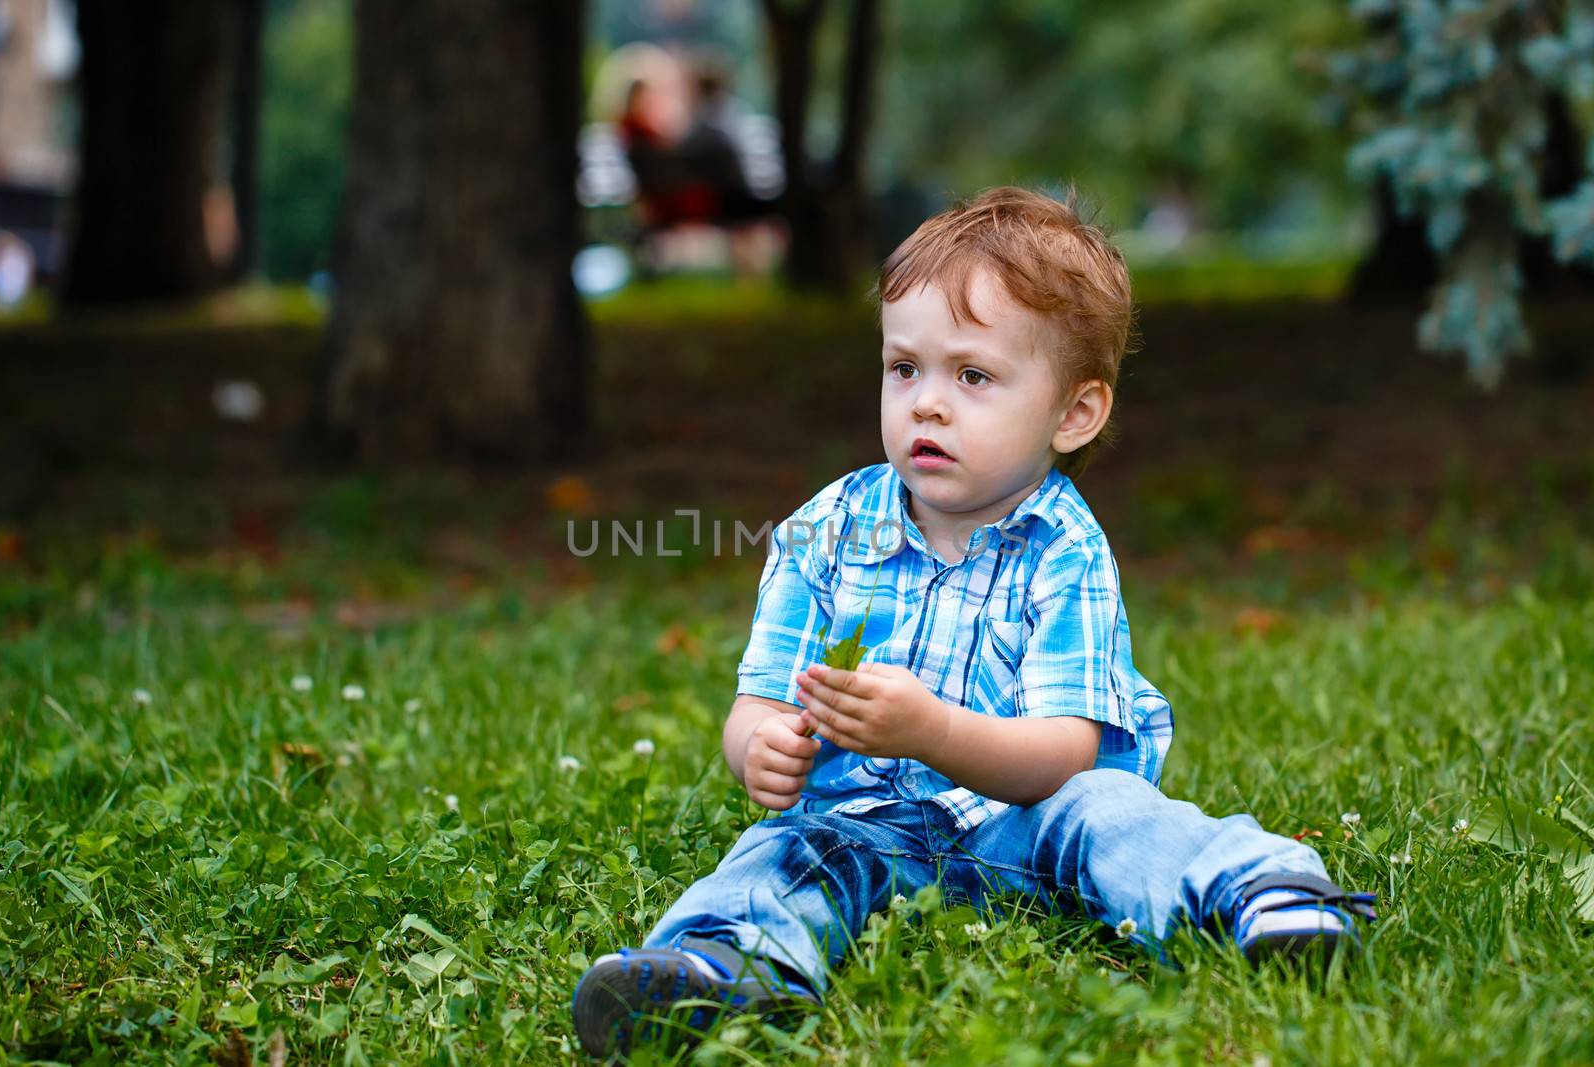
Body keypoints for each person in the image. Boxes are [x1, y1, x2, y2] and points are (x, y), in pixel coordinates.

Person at [571, 186, 1378, 1059]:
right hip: (864, 820)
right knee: (783, 852)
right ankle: (718, 967)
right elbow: (760, 701)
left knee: (1112, 810)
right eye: (904, 368)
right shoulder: (826, 529)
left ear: (1074, 414)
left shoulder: (1062, 547)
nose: (926, 403)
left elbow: (1063, 753)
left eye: (974, 376)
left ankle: (1264, 896)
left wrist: (933, 731)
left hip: (1022, 820)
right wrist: (761, 748)